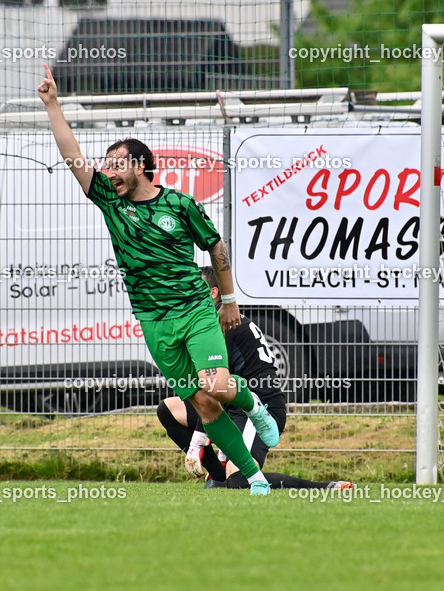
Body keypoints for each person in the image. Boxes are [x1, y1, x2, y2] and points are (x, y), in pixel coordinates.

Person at [37, 65, 279, 496]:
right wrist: (53, 104)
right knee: (203, 404)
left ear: (143, 166)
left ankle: (253, 404)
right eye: (106, 165)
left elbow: (216, 248)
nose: (108, 171)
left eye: (117, 164)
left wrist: (229, 300)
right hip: (154, 320)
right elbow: (72, 155)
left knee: (216, 386)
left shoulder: (180, 205)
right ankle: (255, 479)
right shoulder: (111, 203)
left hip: (195, 309)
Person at [157, 267, 352, 491]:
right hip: (232, 406)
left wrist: (197, 442)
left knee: (240, 479)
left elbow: (213, 387)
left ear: (213, 293)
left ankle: (323, 487)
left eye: (195, 289)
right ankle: (219, 477)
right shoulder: (207, 323)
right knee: (167, 410)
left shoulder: (221, 323)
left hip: (260, 407)